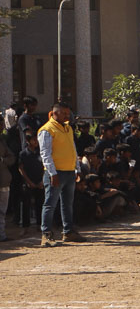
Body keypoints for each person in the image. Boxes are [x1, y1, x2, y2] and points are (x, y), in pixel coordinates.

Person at [38, 102, 84, 247]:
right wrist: (52, 173)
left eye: (68, 113)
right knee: (50, 204)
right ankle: (46, 234)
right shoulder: (47, 130)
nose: (67, 116)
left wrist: (77, 168)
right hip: (56, 173)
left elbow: (73, 149)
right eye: (64, 113)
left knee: (67, 204)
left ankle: (68, 232)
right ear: (55, 113)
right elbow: (45, 154)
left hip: (69, 172)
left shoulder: (68, 128)